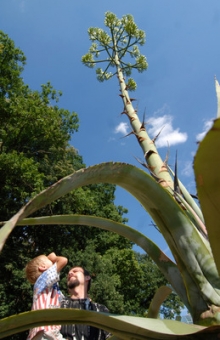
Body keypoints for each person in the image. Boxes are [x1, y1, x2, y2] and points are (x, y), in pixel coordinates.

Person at [25, 252, 68, 340]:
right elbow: (63, 260)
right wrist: (53, 257)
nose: (53, 263)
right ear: (43, 267)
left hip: (43, 333)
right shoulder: (43, 279)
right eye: (50, 262)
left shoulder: (47, 286)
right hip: (45, 331)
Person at [60, 266, 110, 340]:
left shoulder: (100, 310)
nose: (70, 273)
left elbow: (110, 336)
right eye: (69, 274)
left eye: (75, 271)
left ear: (87, 278)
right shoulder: (59, 305)